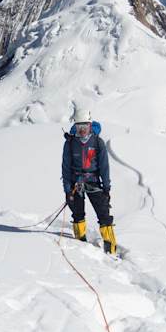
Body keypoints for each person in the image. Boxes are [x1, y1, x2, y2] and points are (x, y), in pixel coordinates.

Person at [61, 108, 116, 254]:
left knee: (104, 214)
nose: (82, 130)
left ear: (90, 125)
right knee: (78, 213)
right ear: (75, 126)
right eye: (79, 127)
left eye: (85, 126)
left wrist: (106, 187)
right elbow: (66, 167)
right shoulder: (70, 143)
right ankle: (80, 245)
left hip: (93, 182)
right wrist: (67, 190)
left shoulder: (98, 142)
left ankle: (110, 247)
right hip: (75, 182)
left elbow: (104, 166)